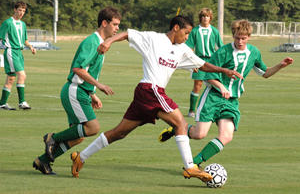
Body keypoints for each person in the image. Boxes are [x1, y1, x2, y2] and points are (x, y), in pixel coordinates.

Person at [69, 15, 243, 182]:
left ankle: (81, 157)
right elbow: (127, 34)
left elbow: (203, 65)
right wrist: (108, 41)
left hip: (146, 95)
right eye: (186, 33)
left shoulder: (182, 50)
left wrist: (224, 71)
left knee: (119, 133)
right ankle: (190, 167)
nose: (187, 37)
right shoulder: (153, 39)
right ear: (176, 28)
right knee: (180, 124)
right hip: (150, 89)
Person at [158, 20, 293, 168]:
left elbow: (265, 73)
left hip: (231, 101)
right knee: (199, 134)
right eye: (237, 37)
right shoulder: (223, 52)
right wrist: (221, 86)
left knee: (226, 136)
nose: (240, 41)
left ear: (249, 37)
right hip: (213, 97)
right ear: (233, 35)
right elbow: (206, 74)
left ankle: (194, 164)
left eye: (243, 38)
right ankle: (176, 128)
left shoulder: (254, 53)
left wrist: (281, 65)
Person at [32, 7, 121, 175]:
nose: (117, 28)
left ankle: (42, 161)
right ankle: (53, 137)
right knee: (93, 127)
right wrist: (99, 86)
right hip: (75, 91)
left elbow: (88, 70)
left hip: (82, 91)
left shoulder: (100, 44)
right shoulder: (92, 42)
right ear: (104, 23)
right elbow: (78, 69)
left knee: (78, 137)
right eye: (115, 24)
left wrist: (92, 93)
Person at [186, 8, 223, 118]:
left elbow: (221, 48)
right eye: (203, 16)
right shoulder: (195, 31)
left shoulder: (215, 31)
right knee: (198, 85)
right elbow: (190, 48)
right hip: (199, 61)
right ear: (200, 18)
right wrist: (193, 63)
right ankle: (192, 110)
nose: (205, 18)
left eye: (207, 16)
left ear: (210, 18)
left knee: (216, 85)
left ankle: (215, 109)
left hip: (212, 61)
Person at [0, 1, 36, 110]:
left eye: (24, 11)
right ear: (15, 10)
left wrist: (30, 47)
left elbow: (24, 40)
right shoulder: (8, 23)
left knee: (11, 78)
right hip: (11, 51)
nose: (21, 13)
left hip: (19, 53)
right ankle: (22, 102)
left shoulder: (23, 24)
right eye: (20, 10)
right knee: (22, 75)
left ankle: (2, 104)